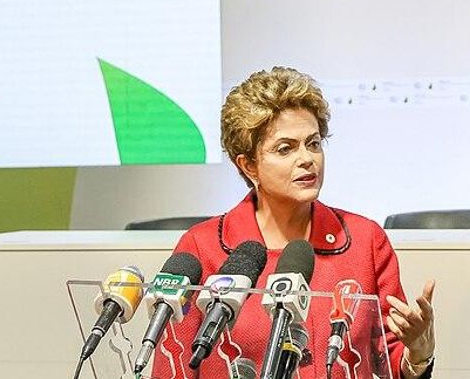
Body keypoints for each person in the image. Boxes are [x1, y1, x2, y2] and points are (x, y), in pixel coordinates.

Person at [157, 67, 436, 379]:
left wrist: (419, 354)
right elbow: (172, 367)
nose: (307, 159)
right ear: (249, 165)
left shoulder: (365, 240)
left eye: (314, 143)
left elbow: (391, 359)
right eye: (286, 148)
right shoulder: (201, 247)